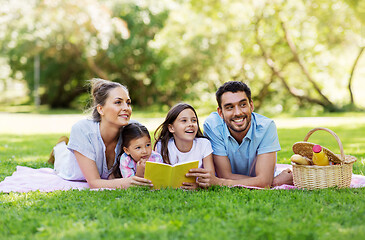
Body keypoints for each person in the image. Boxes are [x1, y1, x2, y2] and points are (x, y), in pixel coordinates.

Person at [186, 81, 293, 188]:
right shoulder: (213, 126)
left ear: (251, 106)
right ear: (220, 112)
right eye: (229, 107)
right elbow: (225, 175)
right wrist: (273, 181)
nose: (238, 113)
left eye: (242, 105)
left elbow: (264, 181)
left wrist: (219, 182)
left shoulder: (266, 127)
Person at [50, 78, 153, 189]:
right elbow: (94, 183)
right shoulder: (82, 130)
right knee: (61, 154)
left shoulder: (133, 129)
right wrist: (128, 182)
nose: (126, 108)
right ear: (101, 109)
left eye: (128, 103)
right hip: (68, 165)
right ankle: (59, 146)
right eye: (118, 102)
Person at [154, 103, 215, 190]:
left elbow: (210, 177)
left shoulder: (204, 144)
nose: (191, 124)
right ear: (171, 128)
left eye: (194, 120)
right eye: (184, 121)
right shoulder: (161, 145)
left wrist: (199, 186)